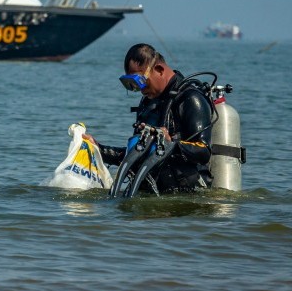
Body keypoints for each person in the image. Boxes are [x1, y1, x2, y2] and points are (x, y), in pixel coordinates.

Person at [87, 43, 213, 193]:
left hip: (189, 195)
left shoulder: (191, 99)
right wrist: (97, 149)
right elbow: (137, 153)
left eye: (141, 81)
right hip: (155, 191)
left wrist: (171, 143)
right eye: (134, 84)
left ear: (159, 70)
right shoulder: (149, 104)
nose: (141, 90)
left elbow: (204, 152)